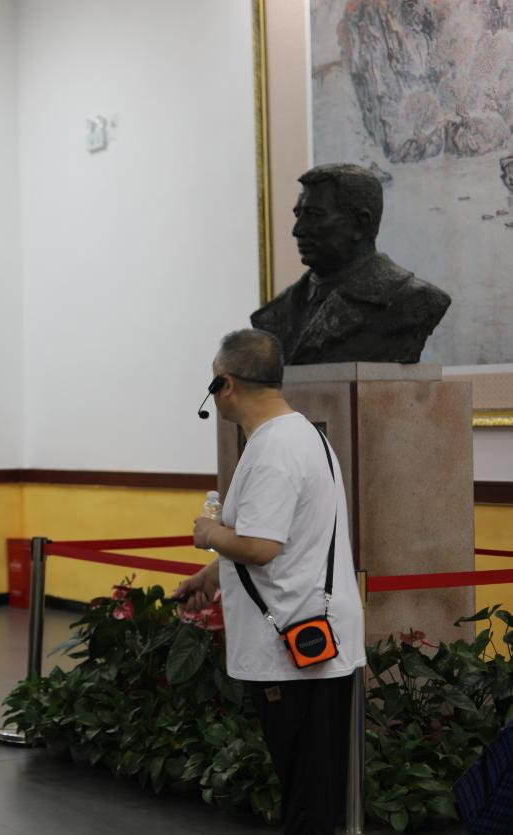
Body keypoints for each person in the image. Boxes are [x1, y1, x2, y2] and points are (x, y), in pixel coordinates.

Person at [173, 329, 365, 835]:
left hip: (295, 643)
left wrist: (209, 534)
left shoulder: (274, 449)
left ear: (226, 384)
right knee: (309, 783)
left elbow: (261, 547)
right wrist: (211, 575)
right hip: (307, 631)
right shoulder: (299, 435)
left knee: (308, 795)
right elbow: (289, 536)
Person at [250, 163, 451, 364]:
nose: (297, 230)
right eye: (298, 214)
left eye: (315, 215)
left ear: (360, 224)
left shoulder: (411, 300)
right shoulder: (275, 314)